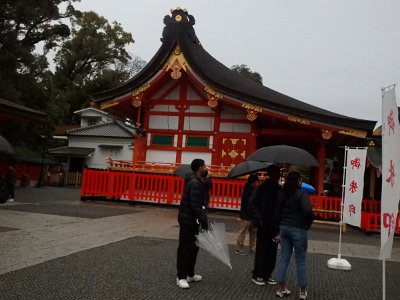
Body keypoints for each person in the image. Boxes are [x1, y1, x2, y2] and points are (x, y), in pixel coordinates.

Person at [274, 171, 314, 299]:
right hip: (299, 229)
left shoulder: (282, 194)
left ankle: (280, 288)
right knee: (301, 260)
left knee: (284, 258)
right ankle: (302, 291)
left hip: (284, 227)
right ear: (298, 181)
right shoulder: (302, 193)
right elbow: (307, 211)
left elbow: (277, 212)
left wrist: (278, 229)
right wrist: (307, 224)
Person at [176, 159, 210, 289]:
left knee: (194, 248)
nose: (206, 168)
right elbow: (196, 205)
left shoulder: (197, 182)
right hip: (188, 220)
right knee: (185, 248)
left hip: (192, 220)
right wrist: (203, 220)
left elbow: (204, 196)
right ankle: (181, 277)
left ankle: (190, 273)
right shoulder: (195, 183)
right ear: (200, 168)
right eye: (204, 166)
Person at [249, 164, 281, 285]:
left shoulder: (278, 189)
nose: (277, 176)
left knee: (272, 249)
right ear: (270, 174)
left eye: (278, 174)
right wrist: (259, 218)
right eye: (276, 174)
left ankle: (267, 273)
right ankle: (257, 274)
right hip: (263, 223)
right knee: (262, 249)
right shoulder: (261, 188)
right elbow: (252, 203)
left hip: (275, 224)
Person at [234, 174, 258, 255]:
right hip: (246, 215)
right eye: (256, 182)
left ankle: (252, 248)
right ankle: (239, 248)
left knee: (252, 233)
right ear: (253, 182)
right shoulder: (249, 189)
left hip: (250, 215)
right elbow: (250, 202)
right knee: (244, 232)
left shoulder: (249, 188)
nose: (257, 183)